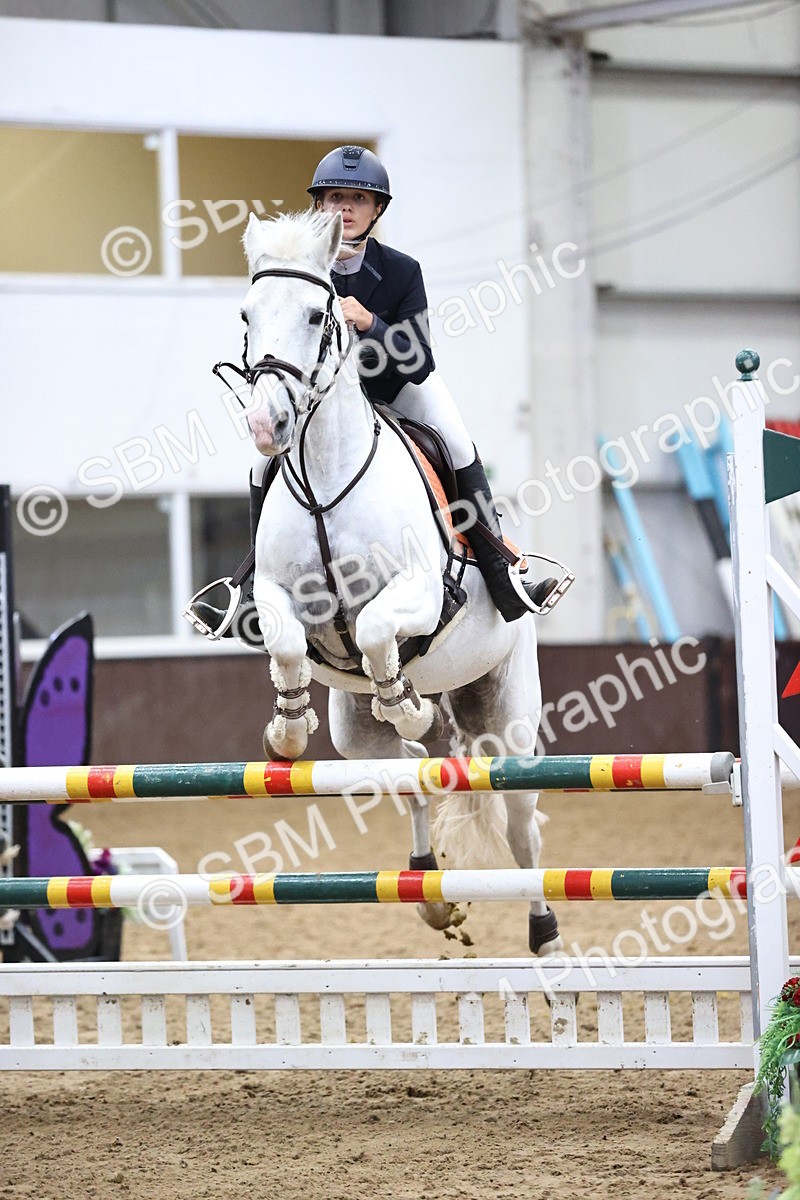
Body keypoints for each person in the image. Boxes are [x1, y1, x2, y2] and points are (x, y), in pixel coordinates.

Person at [186, 145, 571, 642]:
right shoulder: (298, 269)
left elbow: (420, 359)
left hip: (397, 389)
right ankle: (253, 581)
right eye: (333, 198)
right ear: (318, 205)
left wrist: (369, 322)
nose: (343, 208)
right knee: (264, 462)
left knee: (456, 443)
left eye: (357, 199)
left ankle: (500, 567)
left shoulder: (401, 271)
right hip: (322, 401)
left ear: (377, 210)